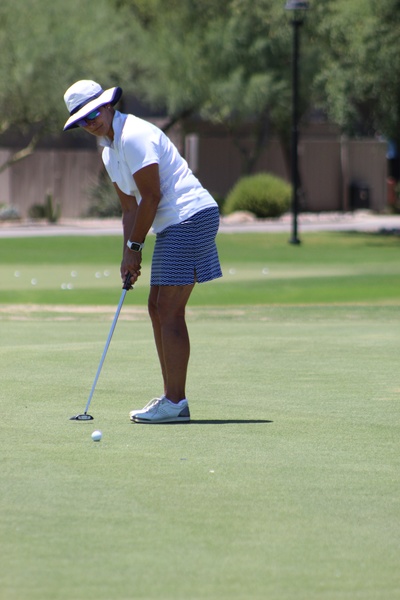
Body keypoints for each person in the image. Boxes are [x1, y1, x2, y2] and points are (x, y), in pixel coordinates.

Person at [63, 80, 222, 424]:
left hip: (190, 215)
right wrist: (127, 255)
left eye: (93, 114)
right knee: (156, 307)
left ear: (107, 106)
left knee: (169, 309)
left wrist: (135, 248)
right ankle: (172, 399)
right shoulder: (109, 152)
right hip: (172, 224)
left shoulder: (135, 135)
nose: (90, 123)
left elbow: (151, 197)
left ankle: (175, 402)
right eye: (82, 120)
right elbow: (129, 209)